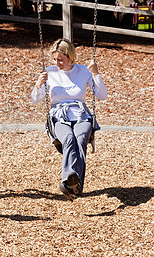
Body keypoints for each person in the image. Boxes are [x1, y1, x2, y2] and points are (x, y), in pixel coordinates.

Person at [31, 38, 107, 201]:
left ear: (70, 57)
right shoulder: (50, 72)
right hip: (58, 116)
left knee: (80, 139)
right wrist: (38, 84)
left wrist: (95, 74)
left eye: (60, 59)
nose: (56, 63)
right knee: (68, 139)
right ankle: (70, 181)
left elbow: (102, 95)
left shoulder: (83, 71)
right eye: (54, 59)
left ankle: (73, 184)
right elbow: (36, 100)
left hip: (81, 115)